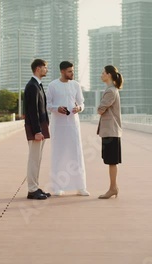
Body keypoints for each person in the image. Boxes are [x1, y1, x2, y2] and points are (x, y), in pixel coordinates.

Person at [46, 61, 89, 196]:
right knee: (58, 154)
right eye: (69, 71)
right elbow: (47, 105)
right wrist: (56, 108)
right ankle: (57, 187)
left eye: (72, 71)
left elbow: (82, 102)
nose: (72, 73)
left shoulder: (76, 85)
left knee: (76, 153)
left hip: (73, 124)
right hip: (58, 125)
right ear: (62, 71)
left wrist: (79, 108)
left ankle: (81, 186)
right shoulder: (52, 85)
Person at [24, 59, 51, 200]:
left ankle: (35, 186)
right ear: (38, 69)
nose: (47, 70)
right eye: (45, 68)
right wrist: (37, 131)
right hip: (36, 128)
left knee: (37, 159)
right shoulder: (32, 86)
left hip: (41, 126)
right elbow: (32, 111)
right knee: (34, 159)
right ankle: (32, 189)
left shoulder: (37, 85)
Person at [97, 65, 123, 199]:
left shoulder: (110, 91)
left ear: (108, 75)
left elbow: (101, 109)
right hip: (111, 131)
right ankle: (113, 187)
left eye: (103, 73)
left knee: (112, 161)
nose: (101, 75)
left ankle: (113, 188)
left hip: (111, 131)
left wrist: (100, 108)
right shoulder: (112, 90)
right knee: (111, 161)